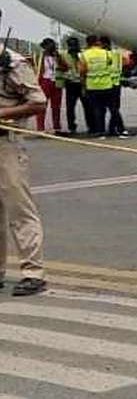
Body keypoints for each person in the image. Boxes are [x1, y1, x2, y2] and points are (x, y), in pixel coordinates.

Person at [0, 42, 50, 295]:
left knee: (19, 210)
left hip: (6, 143)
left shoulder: (11, 62)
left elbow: (38, 103)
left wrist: (4, 112)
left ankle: (33, 273)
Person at [78, 36, 112, 138]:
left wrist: (83, 86)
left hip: (92, 85)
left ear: (87, 43)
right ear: (97, 42)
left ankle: (100, 130)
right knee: (108, 108)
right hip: (106, 84)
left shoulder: (84, 55)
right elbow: (111, 63)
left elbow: (82, 71)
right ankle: (112, 128)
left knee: (97, 109)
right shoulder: (105, 53)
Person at [101, 37, 131, 138]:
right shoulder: (117, 53)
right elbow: (126, 62)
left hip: (106, 84)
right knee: (115, 108)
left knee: (106, 109)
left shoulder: (103, 55)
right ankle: (113, 129)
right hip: (116, 84)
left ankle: (118, 129)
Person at [33, 38, 65, 133]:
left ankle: (57, 127)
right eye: (51, 46)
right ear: (45, 47)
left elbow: (65, 68)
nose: (53, 48)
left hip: (56, 82)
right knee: (42, 106)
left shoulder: (57, 56)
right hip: (44, 82)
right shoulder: (38, 56)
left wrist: (58, 58)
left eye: (53, 46)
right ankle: (40, 129)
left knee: (56, 106)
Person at [61, 36, 88, 135]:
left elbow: (85, 68)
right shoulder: (64, 55)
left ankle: (91, 126)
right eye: (71, 45)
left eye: (74, 45)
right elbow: (62, 67)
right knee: (70, 107)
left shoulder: (83, 55)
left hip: (82, 83)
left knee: (87, 106)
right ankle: (72, 127)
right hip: (70, 83)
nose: (73, 47)